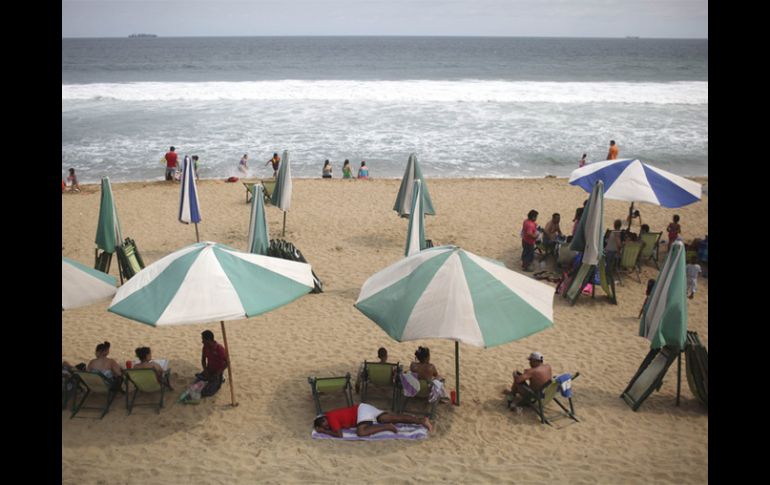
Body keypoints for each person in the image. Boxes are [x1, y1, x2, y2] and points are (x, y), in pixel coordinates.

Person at [313, 402, 432, 437]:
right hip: (364, 409)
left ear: (324, 420)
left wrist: (324, 432)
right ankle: (421, 420)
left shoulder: (331, 418)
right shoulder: (331, 415)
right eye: (326, 428)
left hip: (361, 413)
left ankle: (387, 427)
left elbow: (339, 434)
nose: (329, 427)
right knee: (392, 417)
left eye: (326, 426)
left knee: (361, 432)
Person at [197, 330, 229, 397]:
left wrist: (218, 374)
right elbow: (203, 360)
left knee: (206, 392)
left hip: (217, 372)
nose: (202, 342)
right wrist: (205, 371)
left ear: (208, 340)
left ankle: (221, 379)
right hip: (209, 370)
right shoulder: (205, 348)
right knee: (196, 385)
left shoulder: (219, 348)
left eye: (203, 339)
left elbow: (227, 362)